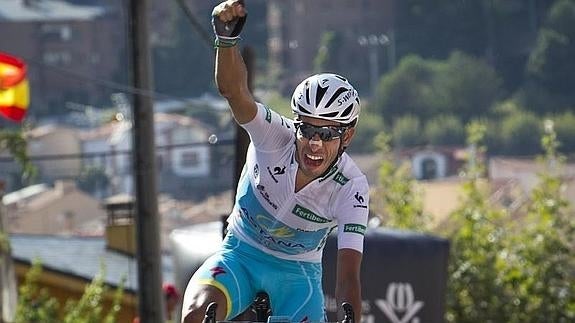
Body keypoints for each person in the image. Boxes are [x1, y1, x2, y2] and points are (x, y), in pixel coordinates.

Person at [181, 1, 369, 322]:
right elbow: (235, 92)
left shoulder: (351, 187)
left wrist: (351, 315)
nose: (314, 143)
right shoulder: (274, 134)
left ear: (347, 137)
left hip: (297, 278)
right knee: (197, 316)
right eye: (307, 129)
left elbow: (348, 274)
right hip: (240, 255)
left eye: (327, 134)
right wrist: (226, 41)